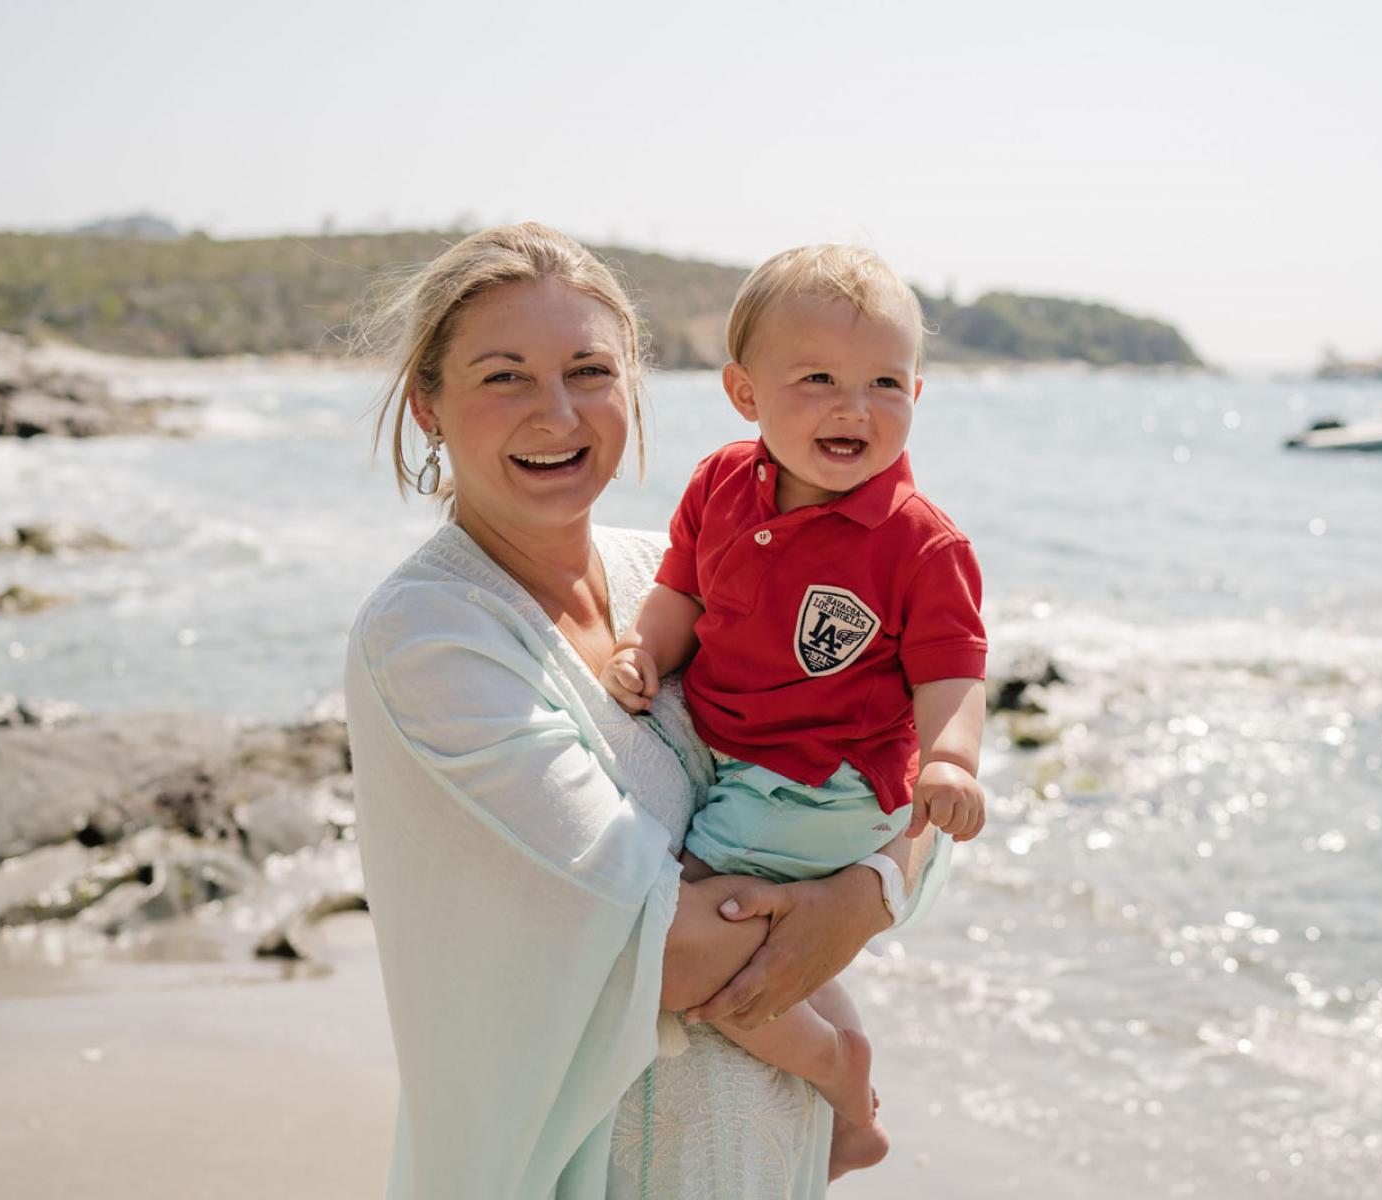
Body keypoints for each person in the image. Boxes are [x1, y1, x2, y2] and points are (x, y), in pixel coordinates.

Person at [342, 223, 948, 1199]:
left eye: (588, 369)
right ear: (428, 404)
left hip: (762, 1160)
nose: (557, 413)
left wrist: (868, 890)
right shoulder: (433, 639)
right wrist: (843, 910)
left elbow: (902, 762)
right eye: (504, 376)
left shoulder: (684, 578)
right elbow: (663, 950)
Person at [598, 244, 987, 1160]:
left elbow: (953, 670)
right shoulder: (722, 483)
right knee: (769, 942)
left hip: (827, 783)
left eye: (885, 382)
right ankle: (854, 1116)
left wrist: (952, 761)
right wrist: (642, 649)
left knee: (679, 949)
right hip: (743, 766)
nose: (855, 406)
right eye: (817, 378)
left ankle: (831, 1074)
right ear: (746, 392)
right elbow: (682, 590)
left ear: (917, 398)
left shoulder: (918, 544)